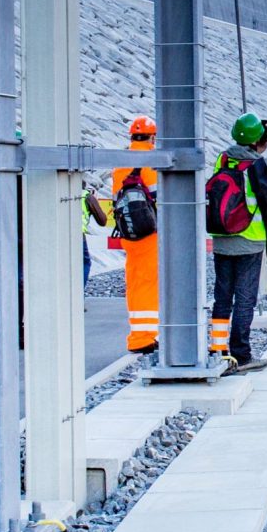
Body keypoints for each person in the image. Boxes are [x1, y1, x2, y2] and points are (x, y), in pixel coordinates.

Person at [205, 112, 267, 373]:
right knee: (245, 299)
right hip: (250, 241)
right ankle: (242, 355)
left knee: (222, 297)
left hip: (222, 239)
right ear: (260, 138)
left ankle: (219, 351)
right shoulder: (260, 165)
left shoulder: (222, 160)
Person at [112, 115, 161, 355]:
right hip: (149, 232)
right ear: (153, 137)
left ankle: (138, 333)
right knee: (150, 283)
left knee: (134, 281)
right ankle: (145, 336)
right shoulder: (151, 161)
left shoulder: (121, 162)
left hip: (128, 231)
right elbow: (160, 198)